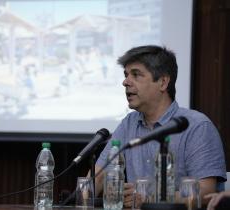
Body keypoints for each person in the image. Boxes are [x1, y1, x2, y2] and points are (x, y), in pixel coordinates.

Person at [94, 45, 227, 207]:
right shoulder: (128, 124)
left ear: (163, 82)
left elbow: (206, 192)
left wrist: (148, 198)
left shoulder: (197, 126)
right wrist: (82, 193)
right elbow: (98, 177)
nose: (125, 82)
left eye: (136, 75)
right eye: (126, 75)